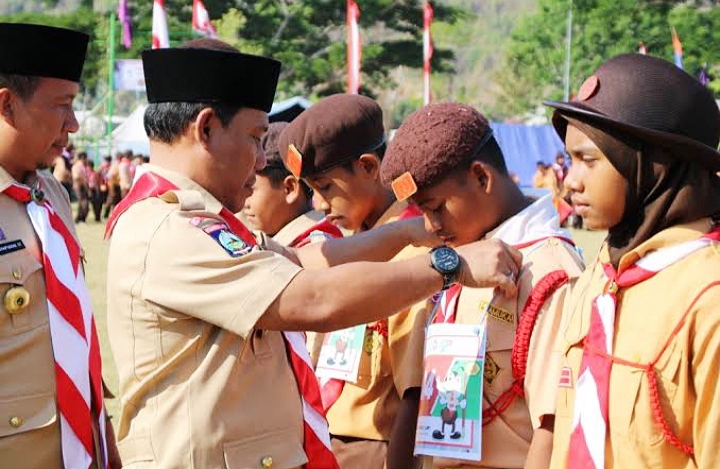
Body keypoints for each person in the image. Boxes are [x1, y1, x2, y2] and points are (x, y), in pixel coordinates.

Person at [104, 38, 522, 469]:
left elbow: (302, 261)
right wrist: (449, 265)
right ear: (206, 128)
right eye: (254, 138)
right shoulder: (170, 230)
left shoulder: (199, 222)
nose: (257, 159)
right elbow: (311, 297)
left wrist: (411, 232)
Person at [379, 103, 584, 469]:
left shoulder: (548, 271)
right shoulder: (454, 262)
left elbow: (552, 428)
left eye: (437, 207)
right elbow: (415, 397)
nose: (431, 225)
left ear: (481, 177)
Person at [544, 54, 720, 469]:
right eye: (569, 159)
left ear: (650, 167)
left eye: (589, 160)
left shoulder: (708, 296)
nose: (570, 180)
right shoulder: (600, 274)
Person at [278, 93, 429, 469]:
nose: (318, 204)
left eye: (326, 187)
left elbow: (414, 391)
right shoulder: (339, 248)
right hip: (322, 442)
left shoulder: (413, 253)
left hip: (374, 449)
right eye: (311, 190)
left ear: (368, 166)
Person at [0, 22, 120, 469]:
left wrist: (104, 439)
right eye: (62, 106)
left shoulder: (52, 196)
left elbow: (73, 338)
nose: (73, 124)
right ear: (7, 104)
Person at [243, 121, 341, 245]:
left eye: (251, 187)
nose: (245, 202)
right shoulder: (280, 242)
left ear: (289, 188)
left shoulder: (318, 246)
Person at [71, 150, 89, 222]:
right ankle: (80, 219)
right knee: (83, 203)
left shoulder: (81, 166)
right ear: (83, 158)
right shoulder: (78, 166)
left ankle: (79, 219)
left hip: (81, 186)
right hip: (79, 186)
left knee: (82, 204)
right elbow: (77, 177)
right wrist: (84, 185)